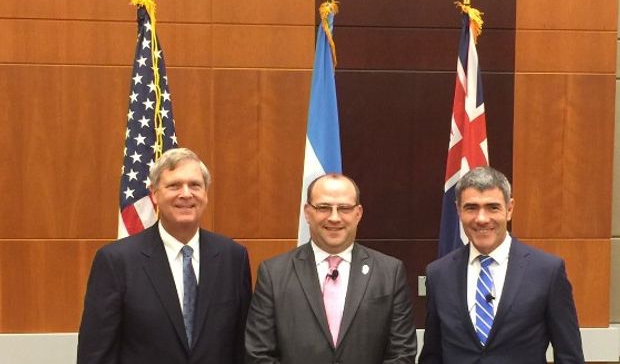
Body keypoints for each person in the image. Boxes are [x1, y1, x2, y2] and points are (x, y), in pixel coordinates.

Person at [77, 148, 251, 364]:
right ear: (154, 194)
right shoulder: (116, 261)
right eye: (174, 185)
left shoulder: (233, 258)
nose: (186, 194)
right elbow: (96, 354)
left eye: (195, 185)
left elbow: (242, 346)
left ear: (205, 193)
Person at [245, 173, 417, 364]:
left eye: (344, 208)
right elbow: (259, 354)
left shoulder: (389, 272)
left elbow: (402, 353)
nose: (334, 218)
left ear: (358, 213)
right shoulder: (273, 274)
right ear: (307, 213)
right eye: (323, 208)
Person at [419, 166, 584, 364]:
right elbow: (432, 354)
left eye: (492, 207)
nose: (481, 219)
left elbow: (569, 356)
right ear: (458, 210)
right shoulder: (438, 274)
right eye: (471, 208)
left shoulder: (547, 271)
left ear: (509, 209)